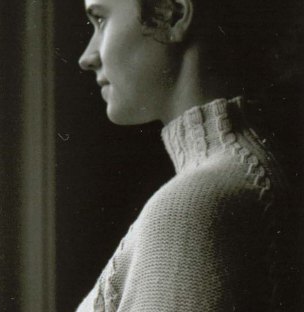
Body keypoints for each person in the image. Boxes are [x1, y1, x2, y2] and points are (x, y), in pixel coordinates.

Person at [76, 0, 304, 310]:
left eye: (101, 20)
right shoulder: (250, 171)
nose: (86, 57)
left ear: (174, 15)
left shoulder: (190, 208)